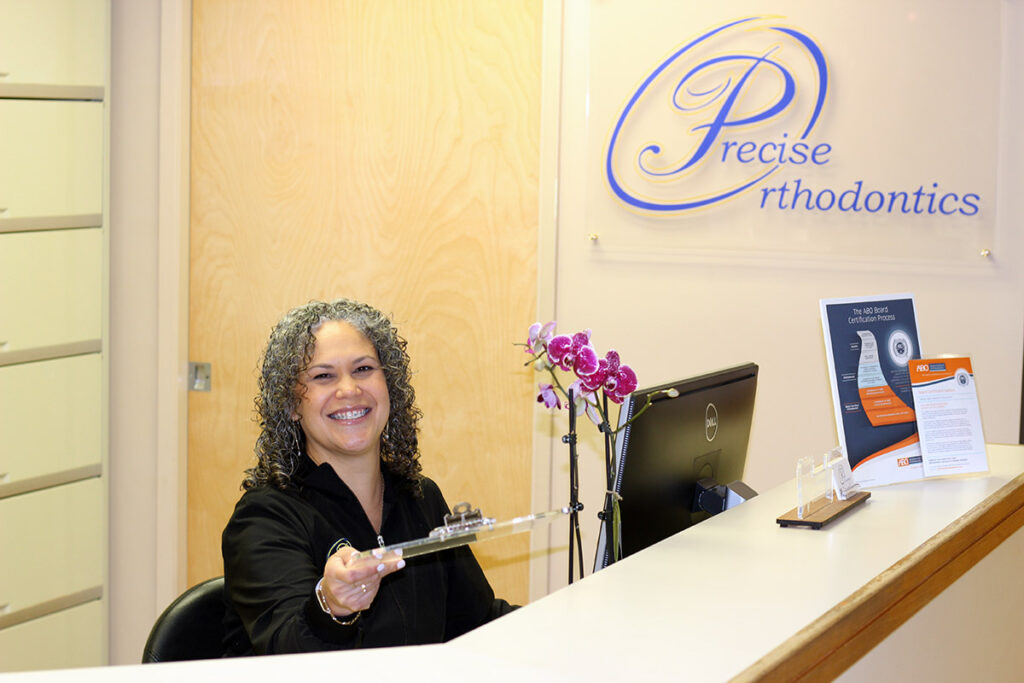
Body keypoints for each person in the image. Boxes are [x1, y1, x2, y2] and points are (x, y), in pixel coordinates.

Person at [222, 299, 514, 654]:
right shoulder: (265, 517)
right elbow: (288, 649)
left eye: (363, 369)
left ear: (388, 383)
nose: (349, 390)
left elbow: (477, 623)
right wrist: (332, 607)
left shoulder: (420, 497)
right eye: (323, 376)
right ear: (291, 405)